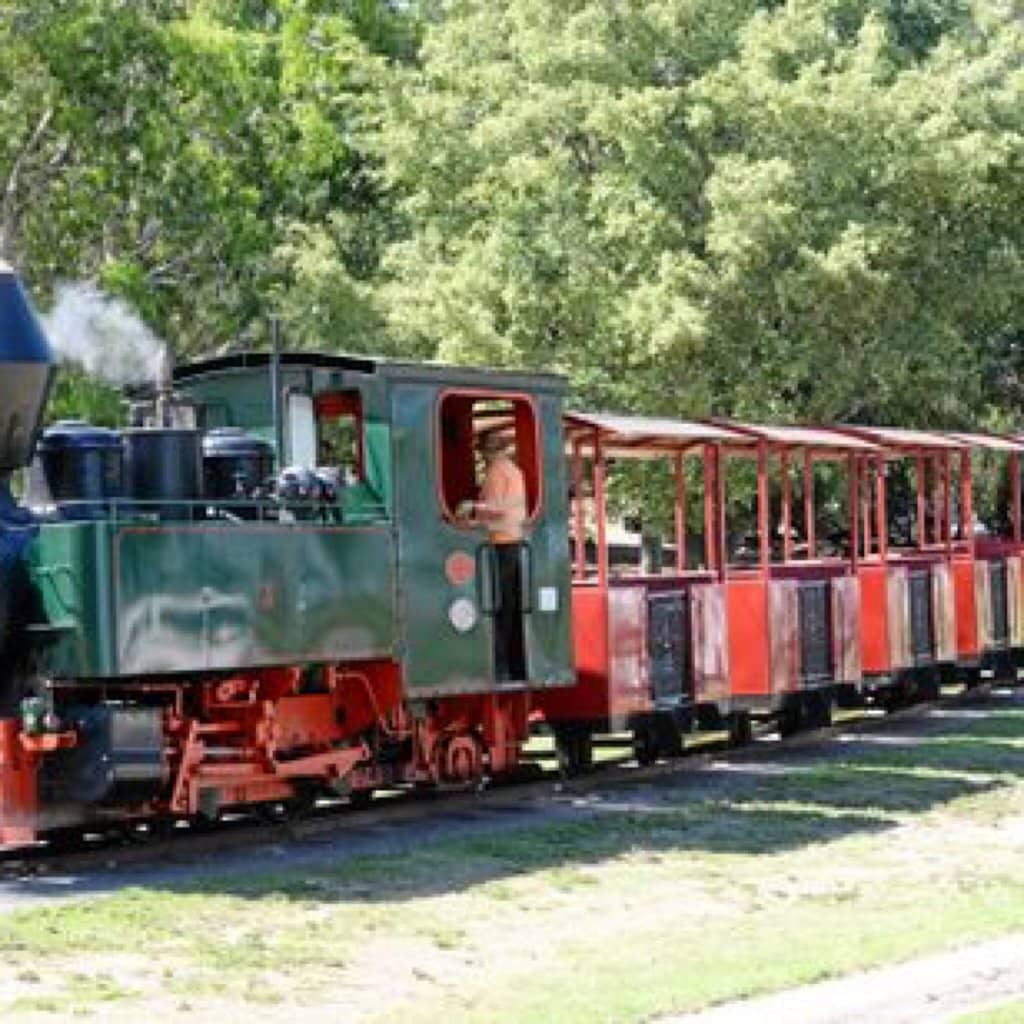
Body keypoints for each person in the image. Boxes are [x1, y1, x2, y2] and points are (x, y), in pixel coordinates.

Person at [457, 432, 528, 680]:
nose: (482, 456)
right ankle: (506, 667)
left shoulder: (498, 471)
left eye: (482, 452)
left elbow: (497, 510)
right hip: (511, 543)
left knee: (497, 608)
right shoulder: (513, 470)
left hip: (501, 544)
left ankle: (499, 667)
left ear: (490, 451)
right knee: (506, 608)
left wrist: (471, 508)